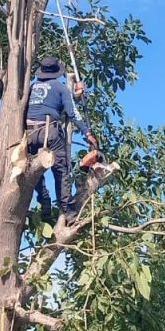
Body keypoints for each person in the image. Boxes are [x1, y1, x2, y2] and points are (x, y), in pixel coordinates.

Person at [26, 56, 98, 222]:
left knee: (33, 171)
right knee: (60, 170)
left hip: (28, 134)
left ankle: (44, 202)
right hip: (49, 131)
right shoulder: (60, 87)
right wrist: (87, 133)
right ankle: (67, 210)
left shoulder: (31, 87)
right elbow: (72, 112)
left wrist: (75, 94)